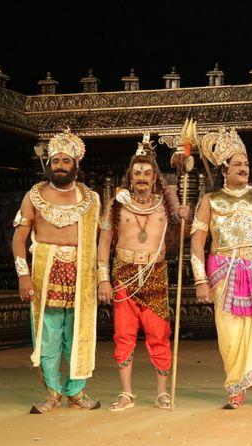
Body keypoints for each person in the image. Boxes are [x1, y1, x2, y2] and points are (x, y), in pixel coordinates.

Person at [190, 127, 252, 409]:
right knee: (230, 332)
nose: (243, 168)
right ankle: (235, 386)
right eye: (237, 164)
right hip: (224, 270)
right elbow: (197, 243)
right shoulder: (210, 201)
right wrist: (199, 280)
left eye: (245, 163)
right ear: (224, 169)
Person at [97, 134, 189, 411]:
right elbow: (103, 244)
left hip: (155, 272)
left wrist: (185, 215)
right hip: (123, 272)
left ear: (154, 177)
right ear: (131, 175)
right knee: (123, 334)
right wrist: (103, 279)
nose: (141, 177)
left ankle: (162, 392)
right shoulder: (117, 204)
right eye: (137, 172)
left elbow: (179, 236)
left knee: (159, 333)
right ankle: (126, 393)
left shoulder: (166, 203)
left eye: (147, 172)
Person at [12, 128, 101, 413]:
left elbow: (103, 240)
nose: (60, 165)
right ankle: (52, 392)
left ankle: (76, 391)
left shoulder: (92, 198)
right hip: (45, 271)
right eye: (55, 161)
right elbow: (18, 238)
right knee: (48, 332)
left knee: (78, 331)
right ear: (48, 164)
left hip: (81, 272)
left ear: (76, 164)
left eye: (66, 160)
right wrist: (22, 274)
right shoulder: (34, 195)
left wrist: (102, 278)